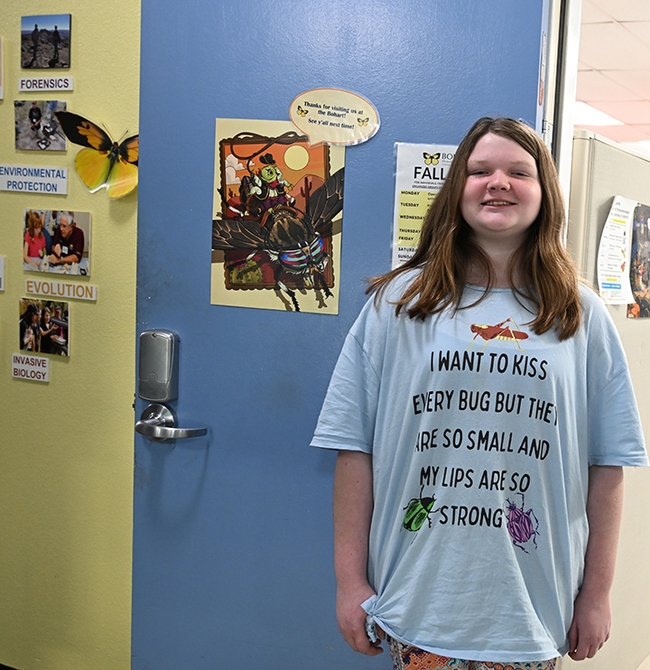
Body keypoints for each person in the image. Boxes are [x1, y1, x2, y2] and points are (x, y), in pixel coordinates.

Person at [311, 117, 648, 669]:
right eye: (479, 170)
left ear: (545, 195)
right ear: (455, 190)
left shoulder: (580, 314)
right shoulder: (399, 303)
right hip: (419, 602)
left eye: (519, 171)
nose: (498, 182)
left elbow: (608, 466)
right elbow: (355, 447)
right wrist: (349, 581)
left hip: (532, 609)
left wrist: (596, 592)